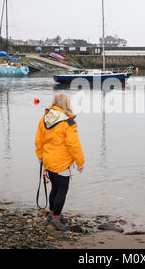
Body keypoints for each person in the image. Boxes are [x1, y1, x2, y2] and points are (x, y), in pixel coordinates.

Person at [35, 93, 85, 231]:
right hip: (62, 163)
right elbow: (74, 145)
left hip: (48, 161)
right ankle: (56, 218)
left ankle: (52, 213)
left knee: (55, 189)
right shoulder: (68, 123)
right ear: (67, 104)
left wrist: (40, 157)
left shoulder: (44, 119)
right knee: (62, 191)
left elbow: (38, 141)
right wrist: (80, 162)